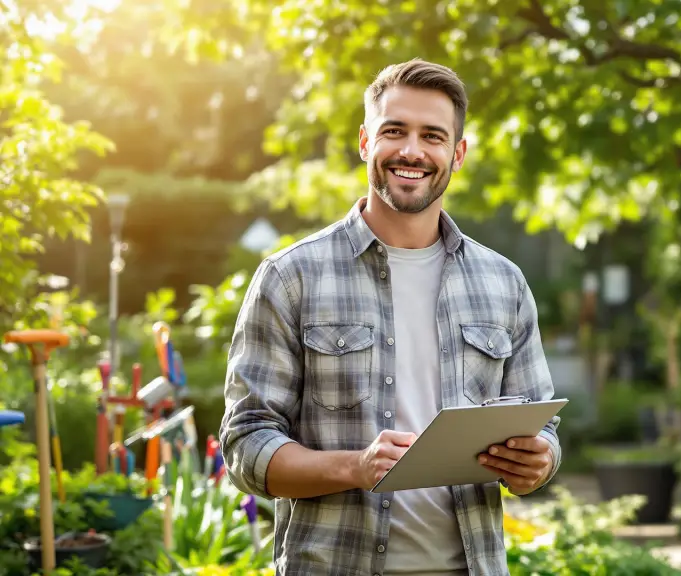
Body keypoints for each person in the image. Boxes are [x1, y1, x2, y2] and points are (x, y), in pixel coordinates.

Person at [219, 59, 562, 576]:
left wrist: (539, 462)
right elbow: (246, 445)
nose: (412, 151)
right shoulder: (291, 277)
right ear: (365, 141)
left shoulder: (504, 284)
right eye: (394, 131)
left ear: (458, 153)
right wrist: (355, 467)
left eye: (433, 136)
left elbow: (544, 426)